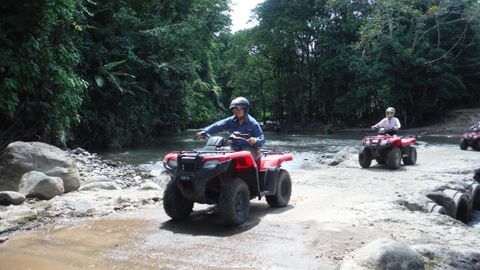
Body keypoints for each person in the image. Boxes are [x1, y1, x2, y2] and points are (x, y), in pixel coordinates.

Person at [195, 97, 265, 159]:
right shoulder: (231, 120)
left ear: (245, 109)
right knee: (220, 154)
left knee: (244, 156)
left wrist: (255, 140)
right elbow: (217, 126)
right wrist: (204, 131)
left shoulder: (253, 123)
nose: (236, 111)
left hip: (249, 148)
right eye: (234, 109)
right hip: (234, 147)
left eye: (239, 108)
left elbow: (262, 139)